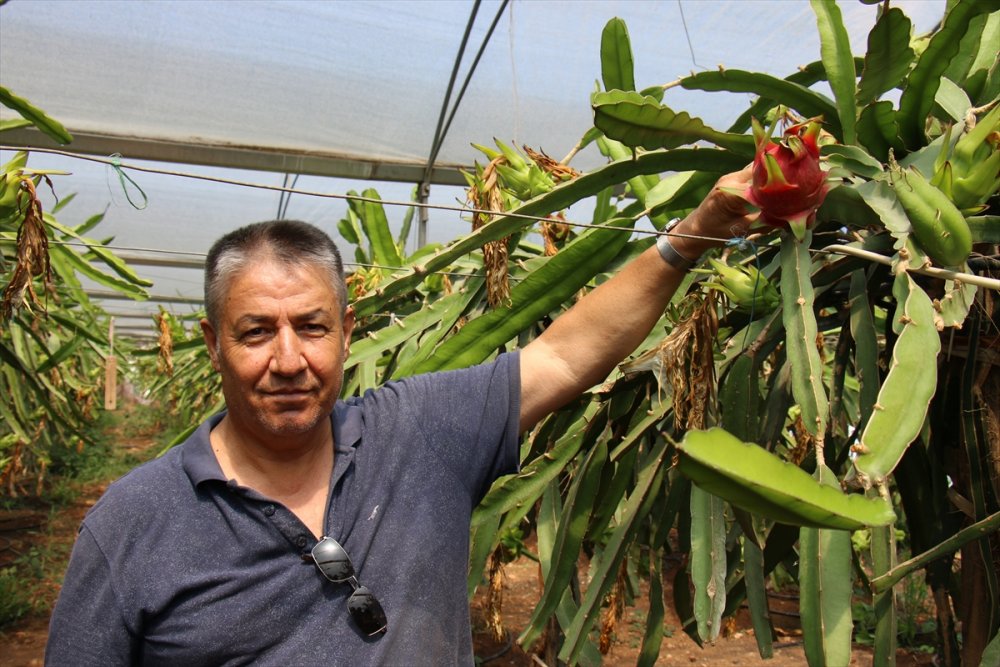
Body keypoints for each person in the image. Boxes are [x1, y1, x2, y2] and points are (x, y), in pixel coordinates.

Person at [45, 167, 754, 666]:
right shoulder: (132, 522)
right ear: (213, 343)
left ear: (348, 332)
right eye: (257, 331)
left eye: (313, 327)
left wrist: (699, 229)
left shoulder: (422, 434)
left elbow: (566, 356)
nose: (289, 359)